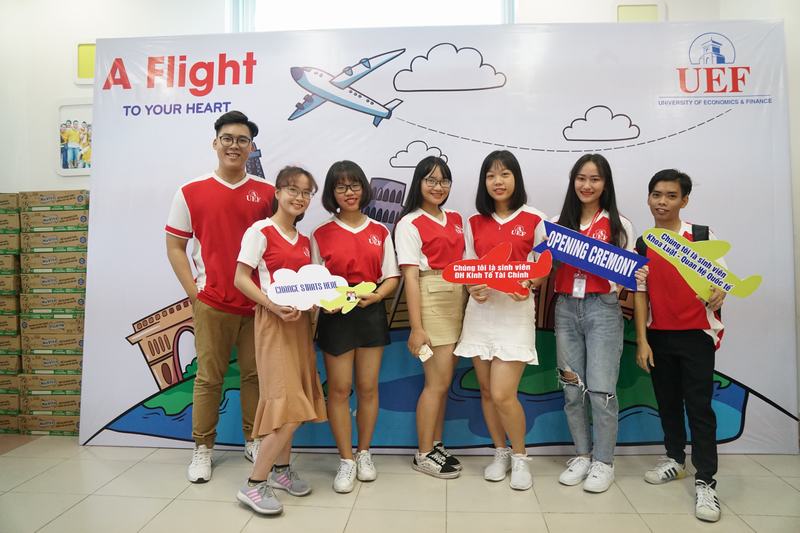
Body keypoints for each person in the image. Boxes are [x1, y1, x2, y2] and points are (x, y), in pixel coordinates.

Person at [165, 110, 275, 483]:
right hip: (212, 302)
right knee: (208, 378)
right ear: (215, 143)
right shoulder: (190, 191)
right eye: (227, 138)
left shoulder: (268, 193)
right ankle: (202, 448)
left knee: (255, 376)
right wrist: (194, 293)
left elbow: (278, 245)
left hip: (258, 304)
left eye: (242, 140)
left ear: (251, 147)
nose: (234, 146)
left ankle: (253, 440)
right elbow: (175, 246)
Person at [233, 166, 327, 515]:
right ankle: (254, 484)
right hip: (273, 324)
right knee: (286, 405)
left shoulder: (304, 241)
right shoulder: (260, 231)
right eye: (293, 189)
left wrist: (319, 301)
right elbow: (240, 278)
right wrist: (272, 305)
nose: (299, 197)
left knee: (294, 401)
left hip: (300, 327)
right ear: (277, 192)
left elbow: (310, 286)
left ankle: (282, 471)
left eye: (306, 192)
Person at [634, 169, 725, 522]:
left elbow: (722, 282)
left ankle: (706, 481)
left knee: (699, 409)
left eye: (671, 196)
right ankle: (675, 459)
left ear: (684, 201)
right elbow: (640, 295)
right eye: (656, 195)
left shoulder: (701, 236)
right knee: (668, 403)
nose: (662, 202)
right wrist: (643, 341)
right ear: (648, 198)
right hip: (659, 336)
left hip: (697, 335)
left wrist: (720, 290)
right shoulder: (644, 243)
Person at [453, 150, 547, 491]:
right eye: (491, 175)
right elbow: (468, 264)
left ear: (516, 179)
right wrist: (473, 286)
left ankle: (520, 457)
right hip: (481, 313)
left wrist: (530, 282)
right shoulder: (474, 222)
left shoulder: (536, 219)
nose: (498, 181)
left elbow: (543, 267)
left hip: (515, 314)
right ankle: (500, 452)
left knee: (503, 393)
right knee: (486, 391)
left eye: (505, 174)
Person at [311, 160, 400, 493]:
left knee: (368, 387)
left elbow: (392, 276)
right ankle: (346, 459)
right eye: (340, 187)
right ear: (332, 193)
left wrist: (377, 296)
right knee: (338, 389)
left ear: (364, 189)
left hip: (370, 311)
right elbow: (314, 281)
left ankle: (364, 453)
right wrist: (324, 302)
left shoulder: (380, 231)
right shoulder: (320, 233)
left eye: (354, 185)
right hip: (335, 316)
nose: (348, 192)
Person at [551, 154, 635, 493]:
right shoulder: (558, 224)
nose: (587, 185)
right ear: (573, 181)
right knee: (572, 388)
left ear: (605, 184)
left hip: (603, 310)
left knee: (601, 390)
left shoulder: (619, 225)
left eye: (595, 179)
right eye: (581, 178)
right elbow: (541, 265)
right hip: (565, 309)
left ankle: (604, 462)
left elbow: (630, 275)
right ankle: (582, 455)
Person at [394, 156, 465, 479]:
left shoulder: (456, 218)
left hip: (457, 299)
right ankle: (423, 454)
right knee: (435, 383)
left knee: (444, 382)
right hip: (431, 297)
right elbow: (410, 277)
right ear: (419, 183)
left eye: (444, 181)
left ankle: (435, 444)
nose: (438, 187)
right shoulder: (409, 222)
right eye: (431, 180)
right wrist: (417, 327)